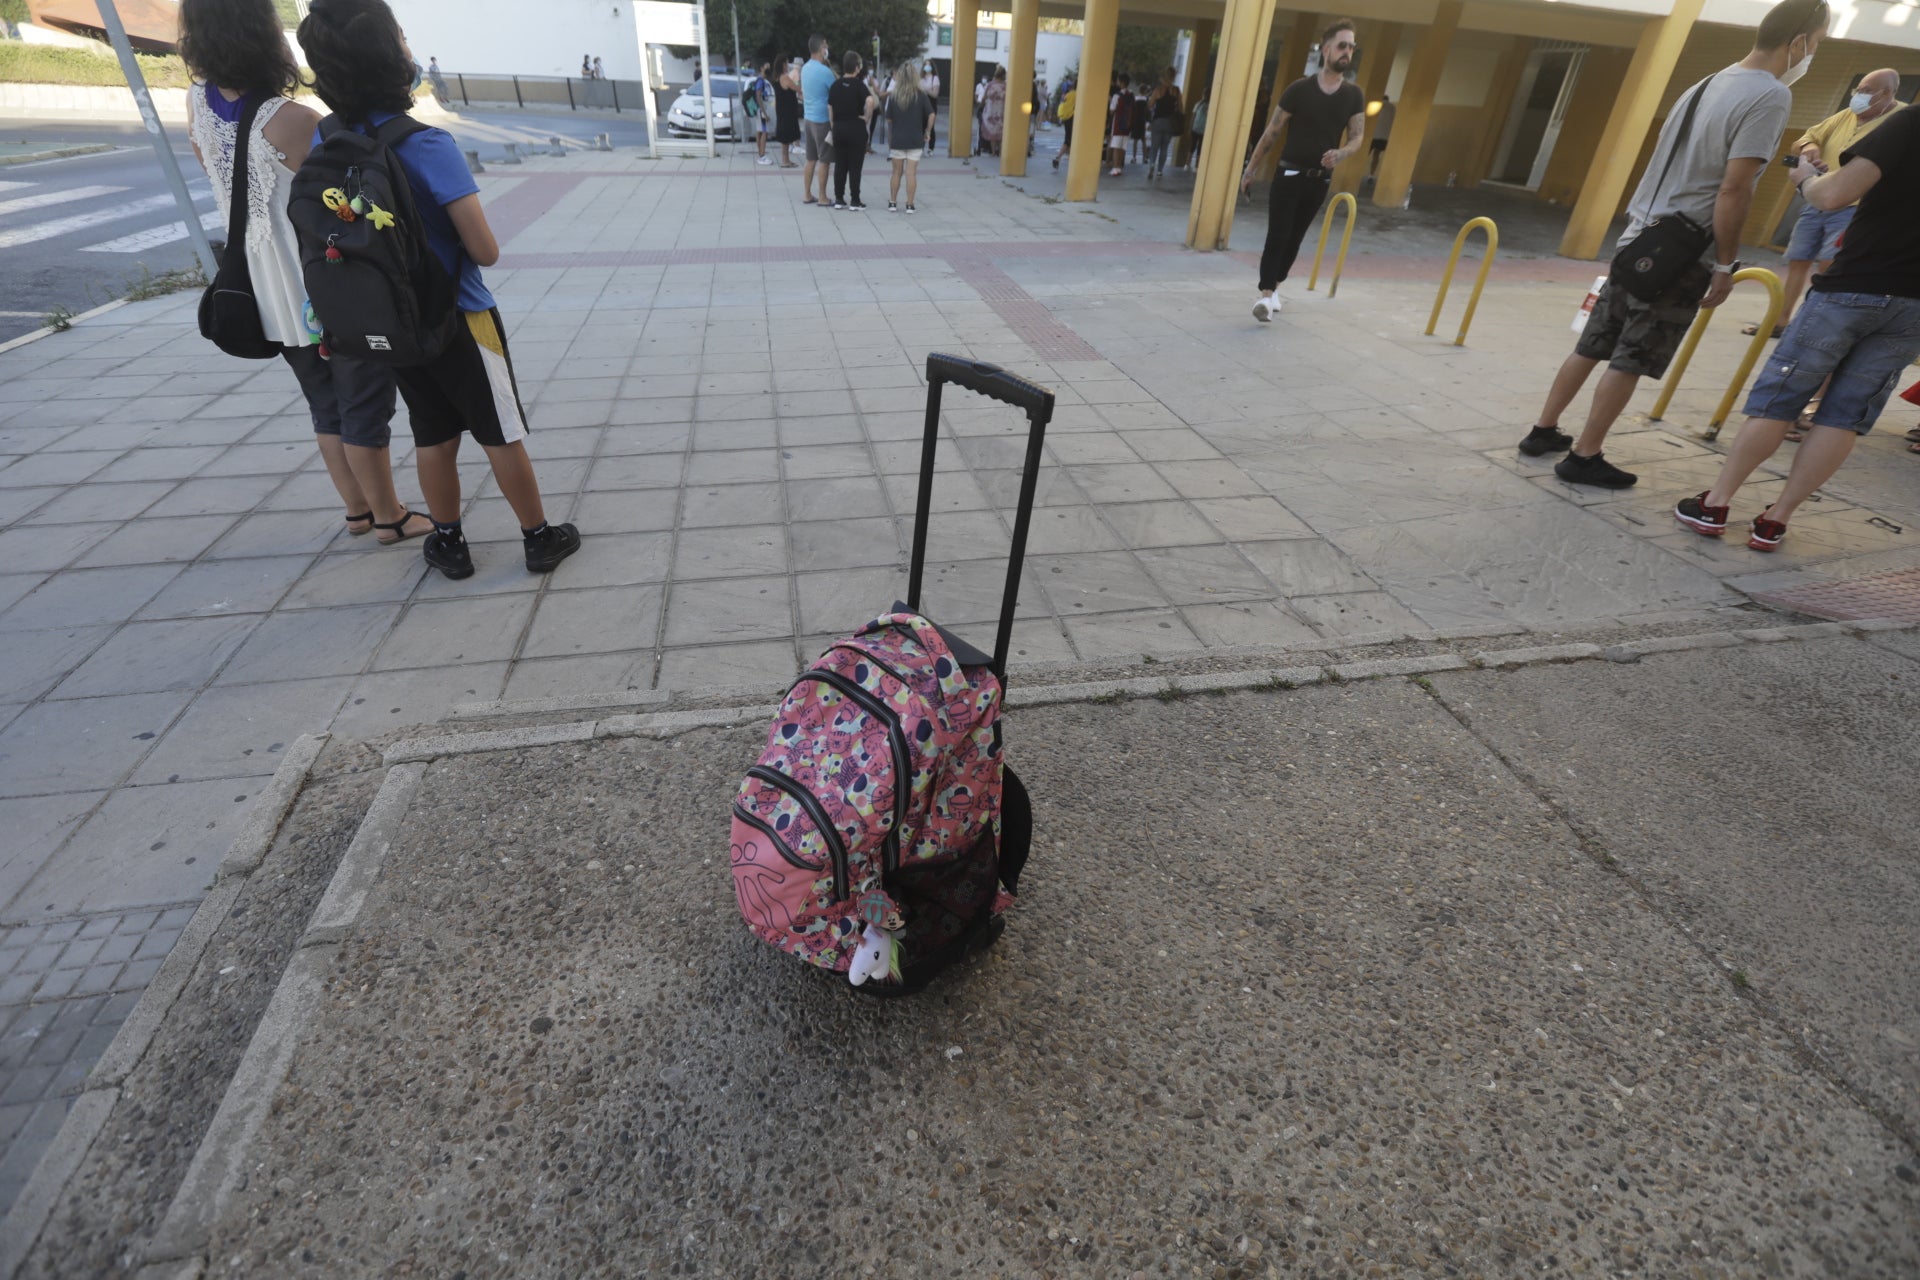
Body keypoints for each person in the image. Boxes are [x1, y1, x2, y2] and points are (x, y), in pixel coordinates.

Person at [298, 0, 580, 579]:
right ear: (389, 58)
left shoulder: (328, 142)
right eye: (401, 38)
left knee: (432, 431)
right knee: (500, 431)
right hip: (460, 315)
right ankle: (538, 537)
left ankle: (448, 542)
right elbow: (484, 251)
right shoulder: (426, 145)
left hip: (391, 321)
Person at [1518, 0, 1824, 488]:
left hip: (1639, 234)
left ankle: (1542, 430)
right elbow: (1734, 188)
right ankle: (1584, 455)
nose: (1815, 55)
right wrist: (1725, 265)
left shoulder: (1706, 82)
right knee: (1631, 357)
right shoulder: (1769, 96)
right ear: (1799, 43)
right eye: (1818, 43)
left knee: (1594, 343)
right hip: (1681, 251)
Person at [179, 0, 432, 548]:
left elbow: (216, 176)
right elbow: (347, 206)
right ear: (263, 35)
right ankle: (390, 516)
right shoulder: (294, 120)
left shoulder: (196, 101)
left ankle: (357, 511)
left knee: (323, 402)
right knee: (363, 398)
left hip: (264, 286)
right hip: (323, 286)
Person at [1673, 87, 1919, 550]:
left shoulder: (1909, 123)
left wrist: (1804, 179)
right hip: (1914, 306)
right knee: (1845, 416)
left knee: (1780, 399)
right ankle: (1775, 521)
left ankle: (1716, 504)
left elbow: (1835, 195)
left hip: (1855, 285)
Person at [1743, 68, 1900, 341]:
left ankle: (1811, 327)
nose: (1858, 97)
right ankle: (1780, 322)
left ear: (1887, 93)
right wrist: (1808, 149)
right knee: (1798, 260)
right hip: (1816, 199)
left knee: (1830, 266)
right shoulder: (1846, 115)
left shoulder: (1902, 120)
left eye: (1866, 91)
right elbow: (1807, 137)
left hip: (1855, 207)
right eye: (1858, 90)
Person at [1240, 21, 1365, 322]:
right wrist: (1250, 169)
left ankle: (1275, 287)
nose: (1347, 51)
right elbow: (1272, 132)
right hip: (1288, 176)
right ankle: (1266, 296)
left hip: (1318, 181)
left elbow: (1357, 137)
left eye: (1351, 46)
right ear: (1326, 50)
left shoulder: (1353, 95)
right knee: (1277, 235)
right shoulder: (1299, 89)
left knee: (1294, 239)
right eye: (1342, 45)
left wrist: (1341, 153)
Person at [828, 50, 874, 210]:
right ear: (857, 67)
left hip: (839, 129)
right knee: (855, 166)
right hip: (856, 128)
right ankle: (855, 200)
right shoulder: (859, 85)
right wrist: (866, 118)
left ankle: (839, 198)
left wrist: (833, 126)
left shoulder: (835, 85)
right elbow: (870, 101)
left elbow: (830, 107)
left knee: (840, 164)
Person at [886, 59, 933, 213]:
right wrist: (927, 131)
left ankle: (893, 202)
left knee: (896, 172)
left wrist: (890, 139)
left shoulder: (893, 95)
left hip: (898, 140)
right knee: (911, 173)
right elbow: (931, 114)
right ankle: (910, 204)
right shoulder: (921, 95)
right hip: (915, 139)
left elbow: (889, 120)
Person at [800, 34, 835, 206]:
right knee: (825, 160)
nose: (827, 49)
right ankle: (822, 196)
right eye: (826, 46)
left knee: (810, 158)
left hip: (808, 118)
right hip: (822, 120)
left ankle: (807, 194)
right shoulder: (825, 72)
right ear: (822, 49)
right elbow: (835, 92)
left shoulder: (805, 68)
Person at [1146, 66, 1181, 179]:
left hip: (1157, 121)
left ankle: (1152, 164)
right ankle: (1160, 171)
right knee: (1164, 148)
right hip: (1170, 123)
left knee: (1154, 147)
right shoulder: (1176, 91)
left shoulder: (1158, 90)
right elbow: (1181, 108)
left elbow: (1150, 105)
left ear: (1163, 77)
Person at [773, 58, 801, 167]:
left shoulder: (777, 77)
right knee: (786, 134)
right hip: (787, 110)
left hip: (782, 108)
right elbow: (797, 88)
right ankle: (785, 161)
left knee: (785, 134)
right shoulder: (785, 77)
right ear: (783, 64)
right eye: (786, 63)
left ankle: (786, 160)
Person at [1106, 72, 1133, 177]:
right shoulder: (1131, 95)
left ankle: (1115, 168)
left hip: (1117, 124)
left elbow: (1112, 111)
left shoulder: (1117, 95)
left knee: (1116, 148)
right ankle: (1119, 167)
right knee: (1122, 147)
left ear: (1121, 82)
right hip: (1127, 125)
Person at [748, 62, 773, 164]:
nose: (768, 68)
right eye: (766, 66)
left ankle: (760, 153)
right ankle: (762, 155)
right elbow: (758, 96)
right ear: (762, 68)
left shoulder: (762, 80)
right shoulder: (760, 81)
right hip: (760, 110)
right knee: (764, 132)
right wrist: (764, 113)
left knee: (759, 131)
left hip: (759, 109)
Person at [981, 66, 1007, 157]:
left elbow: (984, 98)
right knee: (1001, 132)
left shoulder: (990, 85)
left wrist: (981, 105)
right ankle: (1000, 151)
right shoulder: (1006, 86)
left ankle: (993, 152)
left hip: (991, 111)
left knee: (992, 131)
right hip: (1002, 111)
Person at [1367, 92, 1393, 177]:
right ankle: (1371, 174)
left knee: (1364, 154)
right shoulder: (1393, 108)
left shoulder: (1376, 105)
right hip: (1384, 137)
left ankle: (1356, 171)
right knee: (1376, 155)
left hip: (1373, 135)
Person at [1052, 77, 1076, 170]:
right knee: (1069, 140)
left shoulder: (1065, 96)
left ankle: (1061, 158)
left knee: (1069, 139)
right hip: (1073, 118)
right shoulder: (1076, 94)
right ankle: (1058, 158)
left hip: (1066, 118)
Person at [1129, 78, 1149, 163]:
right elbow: (1148, 111)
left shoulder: (1135, 99)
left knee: (1135, 141)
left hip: (1136, 121)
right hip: (1142, 121)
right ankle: (1145, 158)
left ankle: (1134, 158)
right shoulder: (1146, 100)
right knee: (1143, 140)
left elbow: (1132, 110)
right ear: (1145, 91)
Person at [923, 61, 941, 149]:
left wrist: (926, 90)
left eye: (929, 65)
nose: (927, 66)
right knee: (921, 125)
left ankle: (931, 148)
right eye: (925, 64)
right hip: (921, 104)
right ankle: (920, 147)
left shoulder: (935, 78)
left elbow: (935, 94)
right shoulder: (921, 78)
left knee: (930, 126)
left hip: (931, 104)